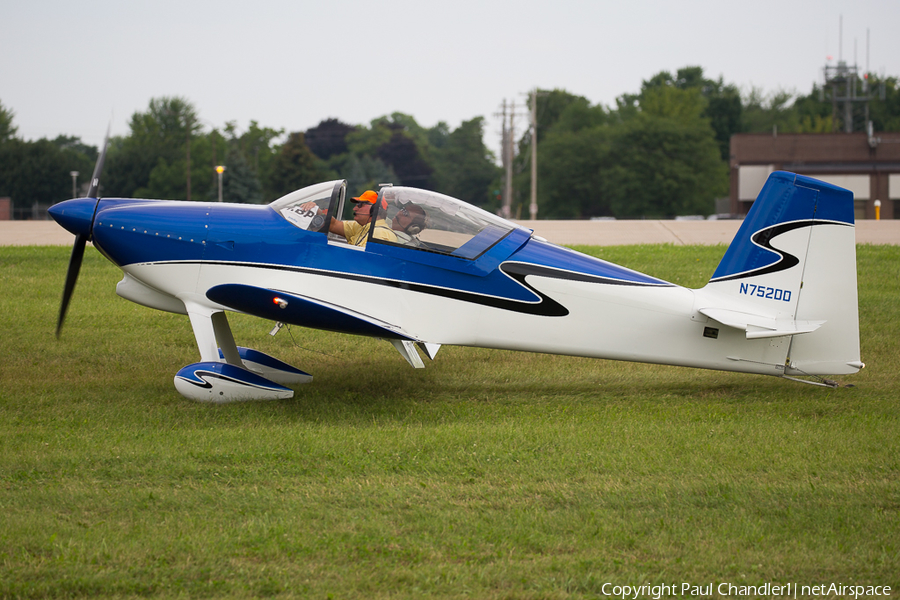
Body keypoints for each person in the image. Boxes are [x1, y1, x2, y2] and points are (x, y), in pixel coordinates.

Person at [302, 190, 396, 247]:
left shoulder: (379, 233)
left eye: (360, 205)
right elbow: (334, 224)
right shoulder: (363, 226)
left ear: (375, 210)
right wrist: (315, 209)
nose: (354, 208)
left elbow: (360, 262)